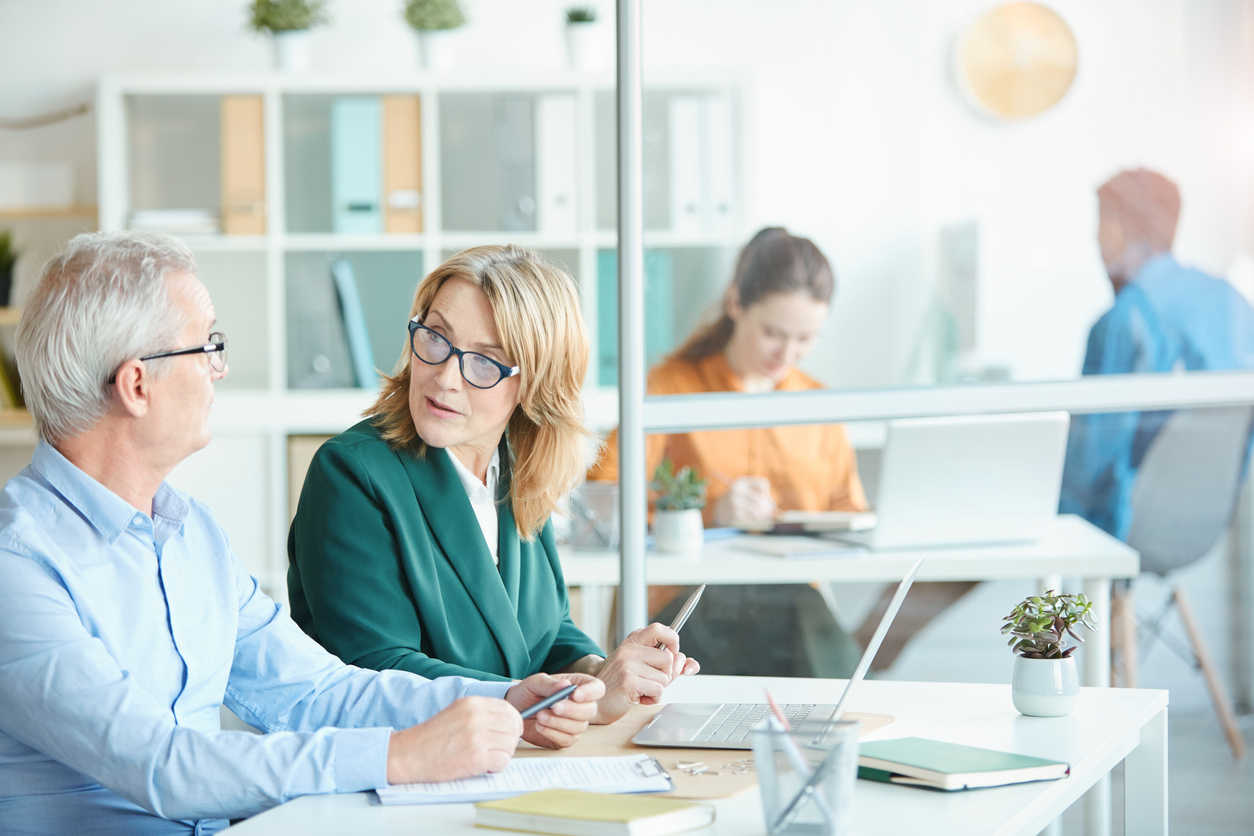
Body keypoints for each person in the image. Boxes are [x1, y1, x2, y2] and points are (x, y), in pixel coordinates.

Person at [0, 231, 604, 836]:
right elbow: (162, 765)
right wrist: (401, 755)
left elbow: (316, 692)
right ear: (137, 385)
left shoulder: (190, 534)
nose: (221, 368)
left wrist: (506, 702)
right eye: (208, 346)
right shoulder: (17, 566)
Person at [287, 245, 698, 727]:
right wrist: (524, 700)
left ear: (535, 384)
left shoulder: (518, 467)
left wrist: (603, 675)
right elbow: (376, 668)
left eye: (486, 362)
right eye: (436, 337)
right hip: (406, 771)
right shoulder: (351, 474)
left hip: (507, 757)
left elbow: (545, 634)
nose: (444, 377)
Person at [586, 227, 868, 677]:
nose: (788, 353)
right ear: (737, 303)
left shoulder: (819, 404)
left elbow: (849, 516)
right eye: (774, 333)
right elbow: (599, 506)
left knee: (837, 690)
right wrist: (706, 516)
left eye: (806, 338)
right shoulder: (670, 389)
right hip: (690, 604)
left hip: (791, 604)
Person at [1060, 167, 1254, 538]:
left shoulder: (1125, 320)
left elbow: (1084, 472)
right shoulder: (1233, 303)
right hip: (1209, 524)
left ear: (1114, 233)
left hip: (1127, 530)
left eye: (1099, 230)